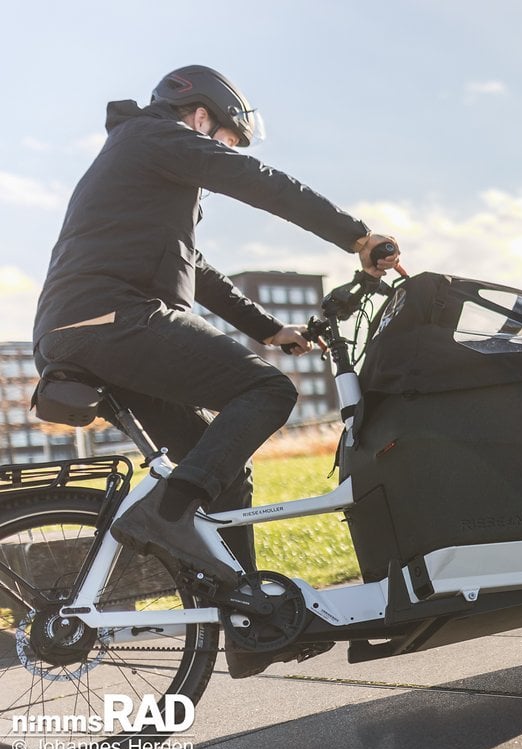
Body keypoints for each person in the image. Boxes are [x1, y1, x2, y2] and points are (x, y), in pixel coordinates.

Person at [32, 65, 403, 677]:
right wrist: (356, 236)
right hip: (116, 320)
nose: (222, 151)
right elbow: (257, 181)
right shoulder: (153, 136)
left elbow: (195, 269)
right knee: (265, 390)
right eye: (226, 138)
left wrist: (267, 330)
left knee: (223, 471)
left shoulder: (140, 165)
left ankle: (248, 624)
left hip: (91, 330)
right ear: (202, 116)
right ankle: (166, 515)